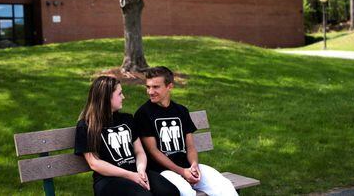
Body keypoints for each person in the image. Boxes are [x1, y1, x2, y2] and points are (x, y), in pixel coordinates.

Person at [134, 67, 238, 196]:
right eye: (148, 87)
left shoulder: (181, 111)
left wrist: (194, 165)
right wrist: (182, 172)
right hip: (163, 171)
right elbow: (153, 151)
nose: (150, 91)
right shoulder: (144, 114)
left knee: (224, 185)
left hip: (187, 166)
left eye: (156, 87)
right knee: (186, 192)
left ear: (169, 86)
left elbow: (190, 146)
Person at [74, 76, 180, 196]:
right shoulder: (86, 126)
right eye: (119, 94)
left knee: (171, 192)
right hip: (109, 180)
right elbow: (94, 163)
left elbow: (139, 151)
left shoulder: (127, 119)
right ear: (106, 98)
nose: (123, 97)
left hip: (136, 172)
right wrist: (130, 175)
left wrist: (141, 170)